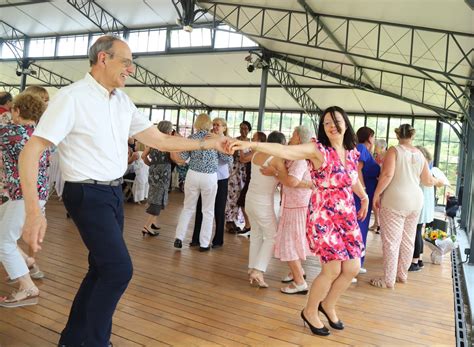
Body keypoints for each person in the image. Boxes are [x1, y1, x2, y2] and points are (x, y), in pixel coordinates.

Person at [18, 35, 227, 347]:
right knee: (118, 270)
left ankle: (73, 340)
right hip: (87, 194)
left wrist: (208, 142)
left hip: (113, 194)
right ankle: (97, 342)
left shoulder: (122, 101)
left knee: (102, 269)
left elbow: (161, 140)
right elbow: (30, 153)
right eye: (126, 62)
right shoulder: (72, 97)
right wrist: (34, 213)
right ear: (103, 59)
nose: (131, 69)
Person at [230, 106, 368, 336]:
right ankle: (310, 311)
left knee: (352, 267)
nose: (332, 126)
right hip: (325, 215)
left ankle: (329, 304)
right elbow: (283, 150)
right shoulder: (317, 150)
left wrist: (363, 197)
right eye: (327, 123)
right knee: (333, 268)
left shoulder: (351, 151)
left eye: (336, 121)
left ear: (345, 122)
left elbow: (351, 178)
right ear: (322, 129)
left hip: (347, 215)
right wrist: (253, 145)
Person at [370, 124, 439, 289]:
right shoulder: (421, 155)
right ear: (412, 136)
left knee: (391, 242)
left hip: (395, 200)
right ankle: (402, 274)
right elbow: (428, 181)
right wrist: (439, 182)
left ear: (397, 135)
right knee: (408, 240)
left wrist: (377, 194)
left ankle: (388, 280)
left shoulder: (394, 151)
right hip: (415, 202)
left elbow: (387, 174)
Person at [0, 92, 47, 308]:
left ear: (17, 112)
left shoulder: (12, 132)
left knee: (4, 242)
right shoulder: (41, 134)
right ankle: (26, 262)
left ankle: (28, 287)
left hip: (23, 195)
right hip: (35, 194)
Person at [261, 126, 313, 294]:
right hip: (293, 204)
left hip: (296, 205)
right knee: (294, 239)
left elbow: (291, 181)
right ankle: (297, 272)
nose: (290, 138)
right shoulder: (296, 156)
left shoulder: (300, 159)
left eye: (292, 135)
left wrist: (274, 172)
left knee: (289, 241)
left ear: (298, 137)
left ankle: (299, 282)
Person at [173, 113, 233, 252]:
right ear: (210, 124)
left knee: (188, 208)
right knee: (208, 211)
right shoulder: (214, 139)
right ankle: (204, 244)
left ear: (197, 124)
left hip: (192, 174)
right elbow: (228, 159)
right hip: (209, 177)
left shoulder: (191, 138)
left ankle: (179, 237)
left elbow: (182, 157)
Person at [245, 131, 287, 288]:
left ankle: (252, 268)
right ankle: (258, 269)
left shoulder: (256, 154)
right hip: (262, 203)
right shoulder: (276, 160)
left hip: (250, 199)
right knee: (272, 236)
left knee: (256, 234)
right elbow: (286, 180)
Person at [191, 117, 233, 248]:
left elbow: (228, 159)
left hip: (220, 178)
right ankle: (196, 238)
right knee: (200, 208)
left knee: (219, 210)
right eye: (213, 124)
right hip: (206, 177)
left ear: (224, 128)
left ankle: (218, 240)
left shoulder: (227, 140)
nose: (215, 127)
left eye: (218, 125)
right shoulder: (207, 137)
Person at [409, 146, 444, 272]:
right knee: (419, 232)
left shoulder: (421, 170)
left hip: (420, 204)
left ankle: (414, 261)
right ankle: (419, 259)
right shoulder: (430, 170)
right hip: (426, 205)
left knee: (416, 232)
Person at [354, 127, 380, 274]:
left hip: (366, 195)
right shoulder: (362, 148)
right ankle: (353, 264)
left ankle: (357, 262)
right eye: (374, 136)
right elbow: (357, 170)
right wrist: (363, 191)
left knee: (362, 228)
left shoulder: (366, 150)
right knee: (359, 228)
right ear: (369, 136)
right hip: (361, 196)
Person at [141, 121, 174, 236]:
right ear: (168, 130)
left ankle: (153, 223)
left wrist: (151, 164)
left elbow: (143, 156)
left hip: (153, 170)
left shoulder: (152, 141)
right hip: (163, 172)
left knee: (153, 194)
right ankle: (147, 226)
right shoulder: (168, 142)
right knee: (158, 198)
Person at [225, 120, 251, 233]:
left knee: (241, 197)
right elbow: (232, 154)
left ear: (249, 130)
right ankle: (229, 221)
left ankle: (236, 220)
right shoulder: (235, 140)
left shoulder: (250, 143)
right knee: (232, 195)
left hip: (246, 172)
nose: (243, 130)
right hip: (235, 171)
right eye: (241, 128)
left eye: (245, 128)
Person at [370, 139, 387, 233]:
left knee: (380, 204)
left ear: (382, 147)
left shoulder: (387, 157)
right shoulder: (376, 157)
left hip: (383, 183)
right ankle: (377, 222)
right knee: (375, 204)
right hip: (376, 182)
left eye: (376, 146)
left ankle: (380, 225)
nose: (374, 148)